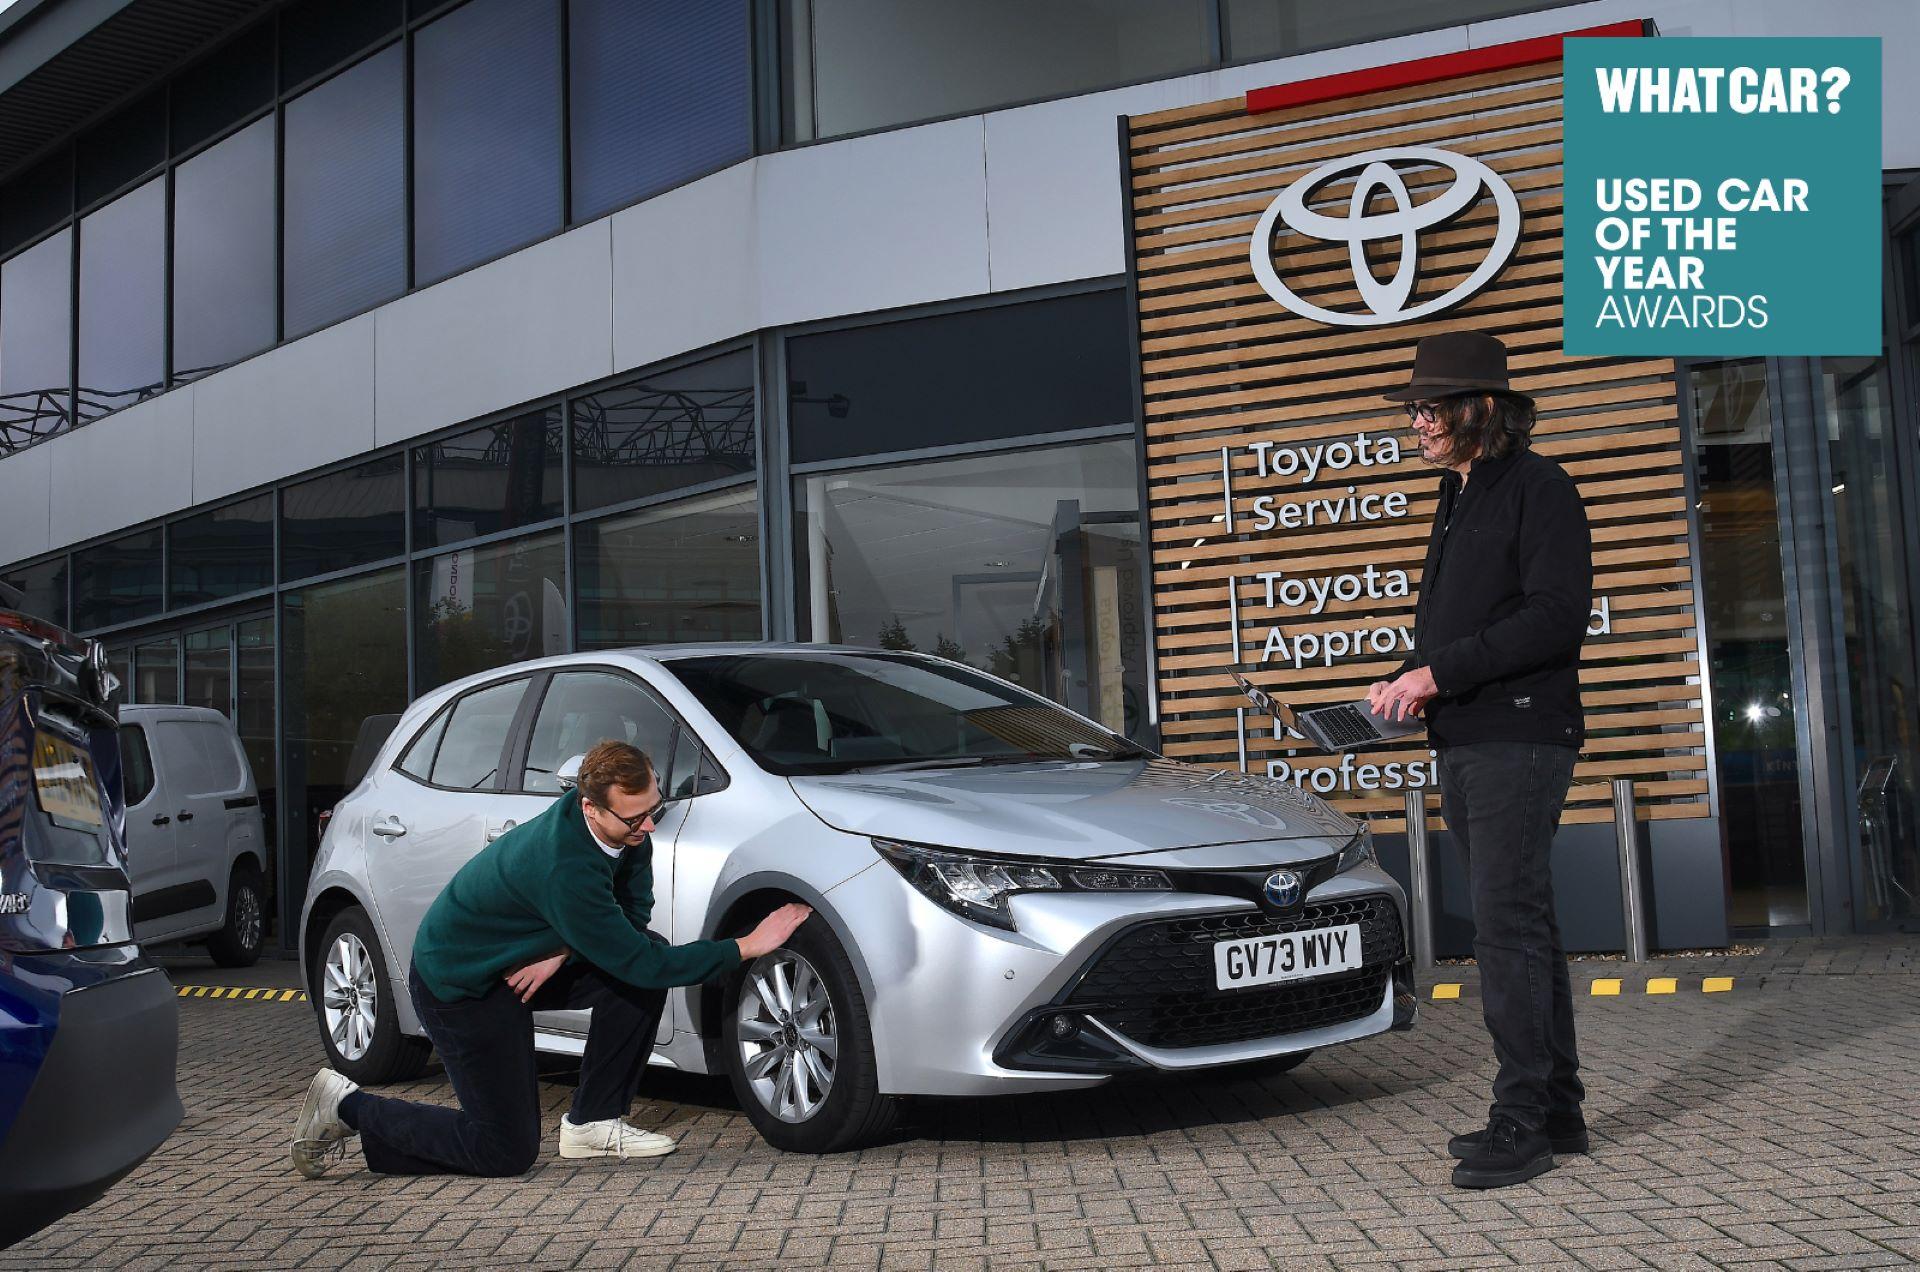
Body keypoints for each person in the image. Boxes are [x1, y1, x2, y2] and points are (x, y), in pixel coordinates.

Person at [288, 739, 811, 1178]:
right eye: (635, 817)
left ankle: (592, 1124)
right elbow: (636, 960)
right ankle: (348, 1107)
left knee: (642, 953)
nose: (649, 827)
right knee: (504, 1151)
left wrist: (561, 948)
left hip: (521, 965)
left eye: (655, 809)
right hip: (463, 985)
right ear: (590, 807)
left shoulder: (626, 833)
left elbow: (632, 917)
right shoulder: (565, 864)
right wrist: (746, 946)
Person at [1367, 330, 1594, 1190]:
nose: (1418, 421)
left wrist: (1439, 669)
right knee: (1524, 924)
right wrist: (1415, 682)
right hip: (1465, 735)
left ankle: (1522, 1122)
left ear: (1482, 409)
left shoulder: (1540, 488)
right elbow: (1468, 628)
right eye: (1416, 409)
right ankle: (1560, 1111)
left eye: (1431, 407)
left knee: (1506, 930)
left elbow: (1555, 616)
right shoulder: (1456, 494)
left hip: (1521, 734)